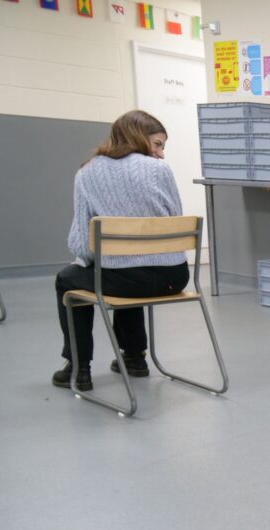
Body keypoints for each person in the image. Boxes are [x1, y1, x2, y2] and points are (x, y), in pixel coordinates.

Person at [52, 110, 188, 391]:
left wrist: (89, 261)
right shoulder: (161, 170)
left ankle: (79, 367)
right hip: (175, 277)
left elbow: (80, 243)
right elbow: (176, 220)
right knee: (129, 270)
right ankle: (135, 357)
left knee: (69, 279)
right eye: (158, 144)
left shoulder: (86, 173)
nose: (161, 154)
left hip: (126, 281)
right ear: (137, 137)